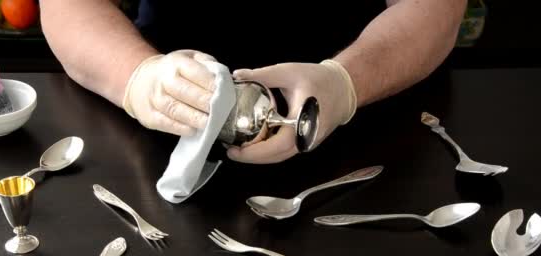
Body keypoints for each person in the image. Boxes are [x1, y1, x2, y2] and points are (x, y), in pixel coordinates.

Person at [40, 0, 467, 164]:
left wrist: (345, 84)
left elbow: (436, 9)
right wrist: (136, 77)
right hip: (158, 130)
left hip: (366, 130)